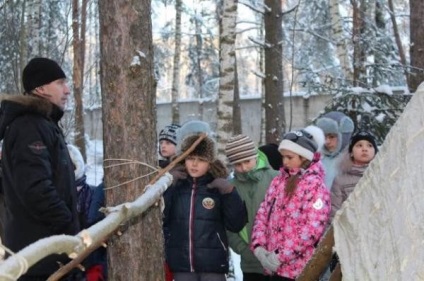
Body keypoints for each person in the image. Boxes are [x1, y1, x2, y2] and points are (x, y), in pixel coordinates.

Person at [0, 57, 80, 280]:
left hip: (50, 250)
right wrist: (69, 226)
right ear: (41, 88)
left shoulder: (44, 124)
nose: (67, 90)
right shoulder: (29, 126)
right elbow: (35, 189)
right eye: (60, 83)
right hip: (38, 255)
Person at [163, 123, 247, 281]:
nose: (194, 164)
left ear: (210, 162)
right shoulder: (175, 186)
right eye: (190, 158)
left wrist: (230, 193)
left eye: (201, 160)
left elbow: (236, 224)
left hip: (213, 266)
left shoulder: (218, 186)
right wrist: (168, 186)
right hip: (182, 265)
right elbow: (161, 219)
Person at [251, 126, 331, 281]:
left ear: (304, 157)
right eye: (283, 157)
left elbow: (311, 229)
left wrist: (280, 256)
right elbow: (263, 213)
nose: (285, 161)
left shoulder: (315, 186)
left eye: (290, 157)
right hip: (272, 267)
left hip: (297, 270)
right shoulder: (278, 181)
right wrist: (259, 247)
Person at [225, 135, 278, 281]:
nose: (243, 168)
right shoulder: (230, 187)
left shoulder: (277, 179)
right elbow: (228, 224)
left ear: (255, 156)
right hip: (250, 263)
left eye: (247, 161)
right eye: (237, 164)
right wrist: (243, 249)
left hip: (278, 260)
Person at [67, 145, 106, 281]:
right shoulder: (52, 196)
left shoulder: (92, 194)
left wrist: (96, 266)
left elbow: (97, 228)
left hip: (89, 262)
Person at [330, 131, 378, 220]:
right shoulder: (340, 180)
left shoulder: (380, 177)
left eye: (369, 146)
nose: (364, 149)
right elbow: (334, 211)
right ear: (351, 152)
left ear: (375, 153)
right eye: (359, 145)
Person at [315, 111, 354, 189]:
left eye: (332, 137)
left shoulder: (352, 160)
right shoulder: (318, 160)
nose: (327, 141)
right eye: (324, 137)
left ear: (343, 136)